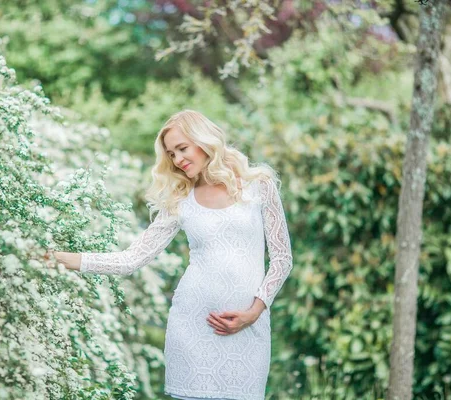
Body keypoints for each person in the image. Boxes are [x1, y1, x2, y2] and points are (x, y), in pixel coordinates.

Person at [45, 109, 293, 400]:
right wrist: (56, 258)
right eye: (171, 154)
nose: (177, 160)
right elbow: (131, 259)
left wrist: (254, 312)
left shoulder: (258, 184)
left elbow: (282, 258)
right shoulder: (180, 198)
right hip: (191, 329)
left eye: (182, 149)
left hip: (248, 329)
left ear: (204, 141)